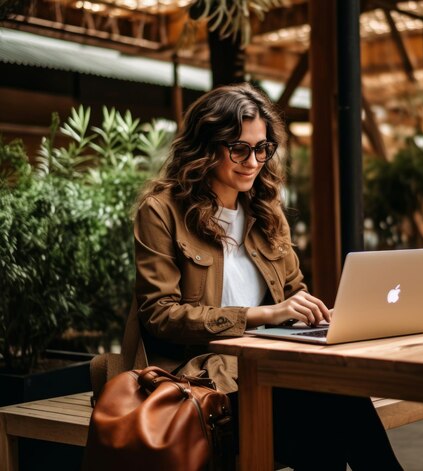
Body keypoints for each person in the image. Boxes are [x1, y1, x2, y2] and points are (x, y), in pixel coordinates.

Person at [131, 82, 403, 470]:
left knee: (333, 403)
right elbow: (159, 316)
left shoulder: (266, 211)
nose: (253, 161)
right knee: (330, 410)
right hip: (204, 379)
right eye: (238, 148)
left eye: (262, 148)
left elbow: (294, 293)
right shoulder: (161, 212)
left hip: (269, 369)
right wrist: (262, 315)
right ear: (205, 147)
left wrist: (318, 316)